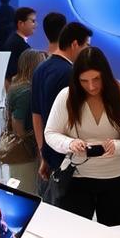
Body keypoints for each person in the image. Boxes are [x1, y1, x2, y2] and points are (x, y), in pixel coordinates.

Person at [44, 46, 120, 225]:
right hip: (77, 179)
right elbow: (51, 133)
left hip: (116, 179)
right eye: (84, 81)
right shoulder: (67, 96)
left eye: (96, 79)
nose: (91, 86)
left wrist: (118, 146)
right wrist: (70, 143)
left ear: (105, 75)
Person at [31, 21, 92, 190]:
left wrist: (44, 153)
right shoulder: (70, 74)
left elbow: (36, 115)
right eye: (86, 45)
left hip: (50, 153)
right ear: (74, 44)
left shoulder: (40, 69)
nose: (87, 51)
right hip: (69, 159)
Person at [3, 48, 46, 192]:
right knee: (27, 190)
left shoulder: (16, 85)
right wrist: (28, 140)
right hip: (24, 153)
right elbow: (18, 123)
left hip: (17, 151)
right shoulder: (26, 91)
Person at [1, 6, 37, 87]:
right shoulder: (18, 44)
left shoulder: (17, 41)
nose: (35, 25)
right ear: (21, 23)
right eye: (33, 21)